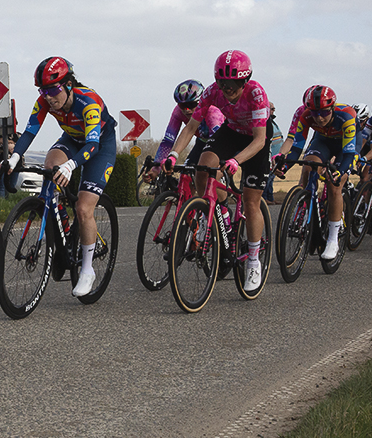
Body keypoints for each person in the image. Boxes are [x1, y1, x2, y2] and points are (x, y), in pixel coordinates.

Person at [6, 57, 118, 297]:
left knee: (84, 208)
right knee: (50, 166)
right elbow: (29, 132)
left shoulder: (88, 102)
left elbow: (92, 145)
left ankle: (87, 270)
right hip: (72, 138)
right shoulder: (45, 101)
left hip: (98, 145)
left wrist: (72, 165)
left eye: (53, 89)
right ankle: (61, 224)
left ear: (68, 84)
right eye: (43, 90)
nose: (48, 97)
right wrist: (15, 157)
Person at [164, 49, 271, 293]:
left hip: (255, 140)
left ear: (244, 80)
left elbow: (259, 141)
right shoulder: (213, 92)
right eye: (223, 83)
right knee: (204, 165)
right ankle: (212, 209)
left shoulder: (256, 93)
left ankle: (253, 260)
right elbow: (191, 126)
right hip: (232, 132)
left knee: (252, 202)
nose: (228, 88)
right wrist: (173, 154)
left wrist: (235, 161)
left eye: (233, 83)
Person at [274, 85, 358, 259]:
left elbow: (349, 153)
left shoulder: (347, 115)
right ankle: (307, 203)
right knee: (308, 164)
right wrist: (285, 167)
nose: (319, 118)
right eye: (314, 113)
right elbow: (297, 148)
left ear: (332, 108)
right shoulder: (306, 117)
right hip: (323, 141)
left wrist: (340, 171)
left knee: (335, 184)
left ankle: (333, 239)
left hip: (345, 146)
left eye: (324, 113)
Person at [148, 79, 224, 184]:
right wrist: (156, 168)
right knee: (186, 174)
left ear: (200, 101)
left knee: (209, 178)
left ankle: (222, 198)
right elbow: (168, 140)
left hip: (220, 141)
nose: (186, 110)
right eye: (182, 106)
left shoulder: (212, 112)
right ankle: (190, 200)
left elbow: (219, 142)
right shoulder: (178, 112)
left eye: (191, 104)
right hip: (202, 141)